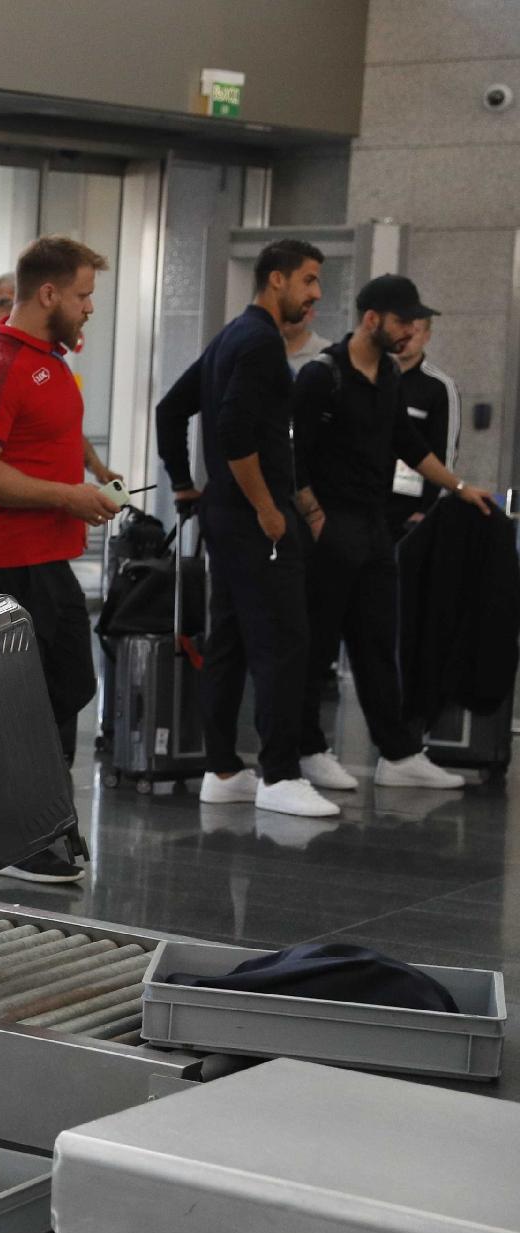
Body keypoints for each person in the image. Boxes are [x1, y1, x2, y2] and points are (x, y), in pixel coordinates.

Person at [0, 236, 120, 882]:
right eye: (83, 295)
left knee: (67, 686)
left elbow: (57, 433)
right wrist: (68, 496)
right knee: (19, 706)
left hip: (46, 557)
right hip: (4, 565)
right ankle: (18, 837)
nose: (89, 308)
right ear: (48, 294)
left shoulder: (47, 360)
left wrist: (95, 474)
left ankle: (43, 821)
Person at [156, 238, 340, 819]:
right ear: (276, 279)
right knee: (284, 643)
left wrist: (184, 484)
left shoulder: (231, 336)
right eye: (308, 280)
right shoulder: (259, 342)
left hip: (225, 515)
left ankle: (223, 770)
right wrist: (267, 507)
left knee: (231, 641)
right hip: (254, 519)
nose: (315, 294)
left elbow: (170, 409)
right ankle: (280, 774)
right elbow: (235, 432)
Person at [290, 275, 492, 793]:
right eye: (403, 321)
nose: (409, 331)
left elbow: (410, 443)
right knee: (317, 644)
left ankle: (399, 754)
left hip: (373, 526)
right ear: (372, 319)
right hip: (330, 526)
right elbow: (292, 456)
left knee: (378, 642)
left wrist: (460, 487)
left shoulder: (388, 376)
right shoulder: (322, 375)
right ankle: (307, 748)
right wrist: (313, 516)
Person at [387, 315, 460, 535]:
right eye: (402, 329)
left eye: (415, 331)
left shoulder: (440, 386)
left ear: (426, 336)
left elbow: (445, 454)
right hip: (368, 499)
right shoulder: (375, 377)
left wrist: (428, 509)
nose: (407, 337)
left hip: (411, 506)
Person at [283, 308, 332, 377]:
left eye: (292, 311)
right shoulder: (270, 349)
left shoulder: (327, 353)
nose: (284, 317)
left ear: (310, 314)